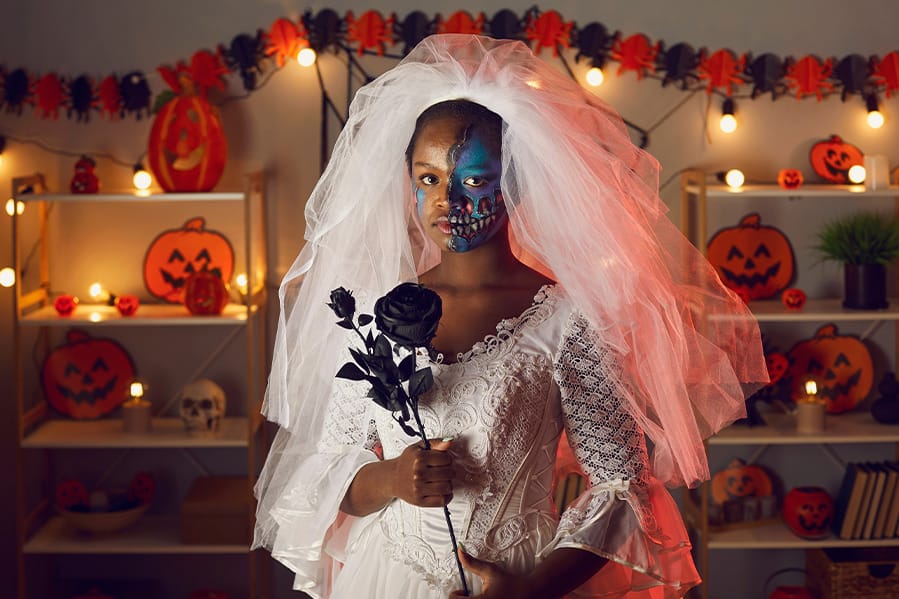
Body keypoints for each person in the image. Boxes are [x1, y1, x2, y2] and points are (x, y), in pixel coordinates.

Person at [253, 35, 767, 599]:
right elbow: (332, 473)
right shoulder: (374, 315)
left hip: (522, 580)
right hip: (386, 577)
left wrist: (531, 591)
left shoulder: (570, 320)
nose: (449, 200)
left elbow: (622, 487)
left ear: (515, 182)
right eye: (429, 179)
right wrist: (391, 478)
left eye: (475, 180)